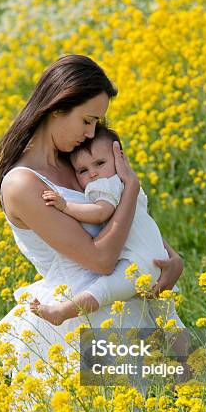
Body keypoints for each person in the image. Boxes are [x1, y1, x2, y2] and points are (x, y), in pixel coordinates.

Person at [0, 55, 184, 377]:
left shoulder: (77, 162)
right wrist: (131, 188)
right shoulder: (23, 183)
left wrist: (172, 259)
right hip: (83, 323)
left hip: (131, 306)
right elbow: (101, 260)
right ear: (57, 108)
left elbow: (132, 223)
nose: (91, 134)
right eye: (87, 120)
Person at [29, 125, 185, 332]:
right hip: (158, 258)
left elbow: (100, 212)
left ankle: (62, 313)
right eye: (82, 170)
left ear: (119, 158)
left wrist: (65, 206)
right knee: (169, 320)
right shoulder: (124, 184)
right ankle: (189, 361)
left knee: (102, 291)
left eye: (100, 163)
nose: (93, 174)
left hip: (136, 265)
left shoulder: (105, 185)